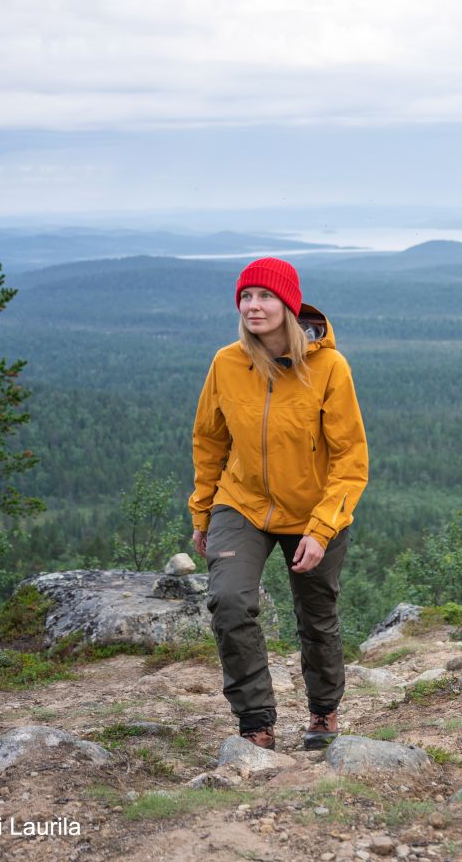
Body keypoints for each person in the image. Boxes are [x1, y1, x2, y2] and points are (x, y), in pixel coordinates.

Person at [189, 257, 368, 751]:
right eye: (246, 296)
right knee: (229, 601)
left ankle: (324, 711)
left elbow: (351, 458)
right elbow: (209, 441)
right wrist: (202, 512)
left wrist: (322, 527)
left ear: (289, 304)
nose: (253, 305)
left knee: (316, 614)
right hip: (242, 503)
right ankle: (255, 722)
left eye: (265, 296)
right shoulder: (227, 363)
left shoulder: (329, 367)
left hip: (314, 509)